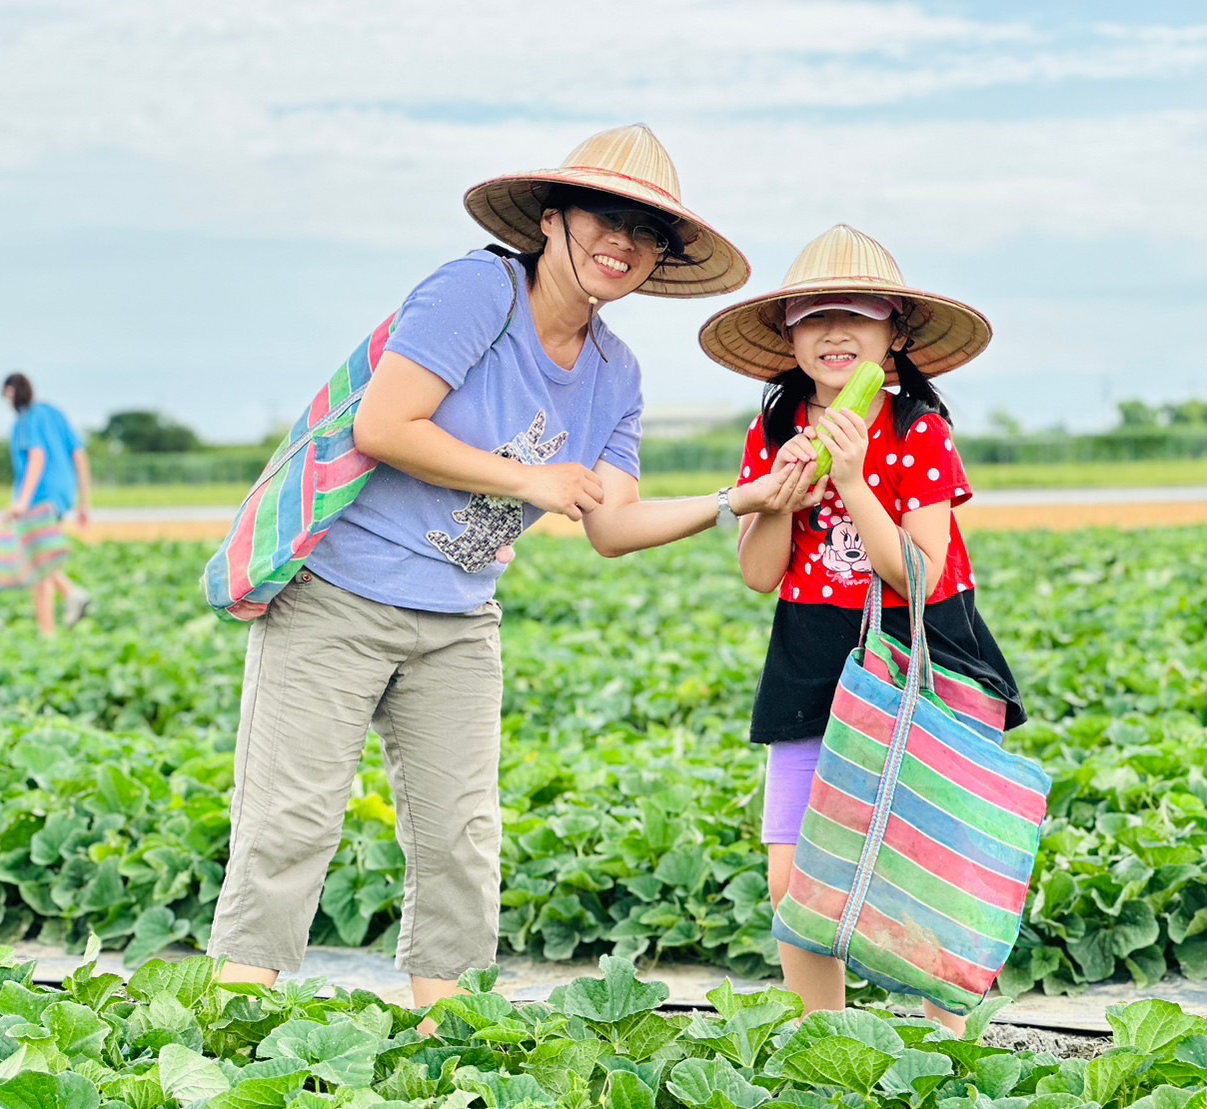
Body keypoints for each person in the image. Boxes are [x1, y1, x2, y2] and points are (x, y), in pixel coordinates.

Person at [206, 125, 792, 1013]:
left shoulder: (614, 372)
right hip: (339, 593)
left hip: (458, 619)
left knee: (461, 835)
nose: (622, 242)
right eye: (604, 216)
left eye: (647, 233)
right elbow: (387, 425)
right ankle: (236, 1019)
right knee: (292, 819)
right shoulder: (477, 290)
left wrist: (736, 500)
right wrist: (530, 479)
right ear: (552, 220)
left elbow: (613, 524)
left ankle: (450, 1027)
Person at [698, 224, 1026, 1031]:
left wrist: (852, 477)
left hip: (925, 653)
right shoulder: (773, 430)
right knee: (793, 874)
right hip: (813, 650)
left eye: (857, 314)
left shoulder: (917, 429)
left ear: (895, 332)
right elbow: (757, 571)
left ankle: (946, 1045)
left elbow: (918, 575)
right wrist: (782, 497)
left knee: (928, 865)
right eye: (812, 315)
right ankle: (825, 1036)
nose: (833, 330)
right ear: (788, 334)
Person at [2, 372, 92, 636]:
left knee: (37, 567)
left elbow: (37, 458)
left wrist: (22, 502)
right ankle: (70, 598)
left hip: (39, 497)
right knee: (40, 559)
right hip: (63, 496)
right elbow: (79, 456)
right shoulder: (55, 413)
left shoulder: (27, 420)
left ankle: (50, 630)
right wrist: (84, 503)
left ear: (12, 393)